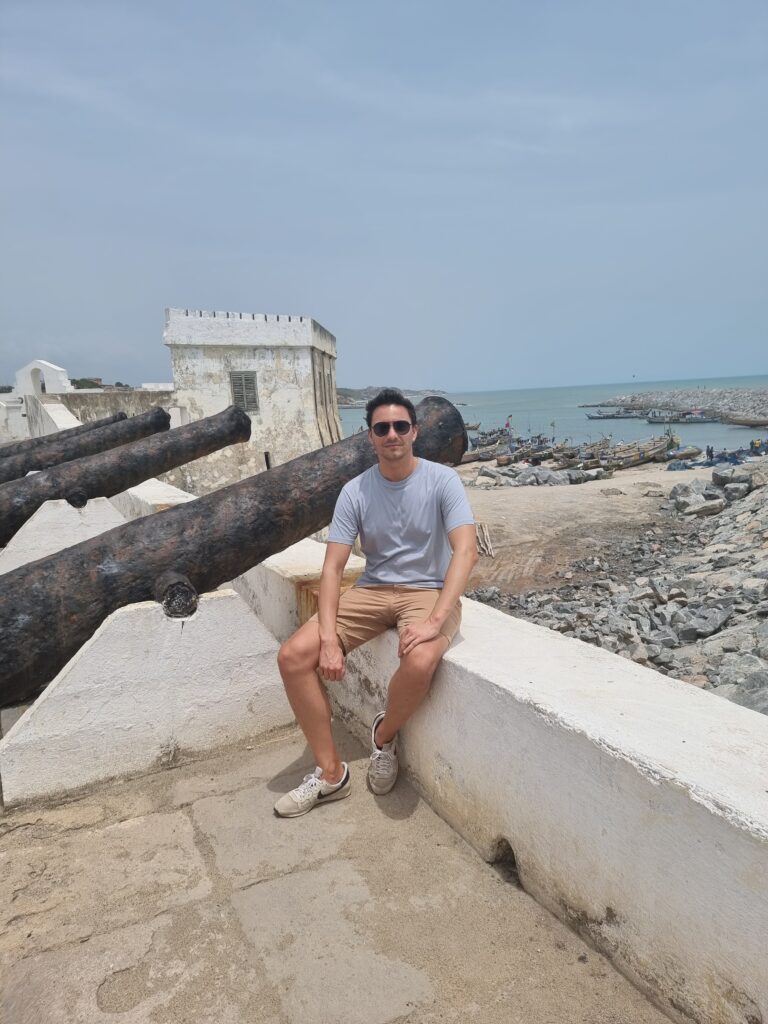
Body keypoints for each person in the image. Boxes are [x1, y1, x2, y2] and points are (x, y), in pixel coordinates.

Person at [273, 387, 477, 817]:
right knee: (293, 657)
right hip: (372, 590)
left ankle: (383, 736)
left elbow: (465, 550)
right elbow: (332, 569)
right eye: (381, 428)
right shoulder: (356, 491)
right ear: (370, 436)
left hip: (429, 591)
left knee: (421, 661)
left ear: (415, 432)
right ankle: (331, 774)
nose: (392, 435)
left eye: (400, 426)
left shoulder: (443, 481)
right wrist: (329, 638)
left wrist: (437, 618)